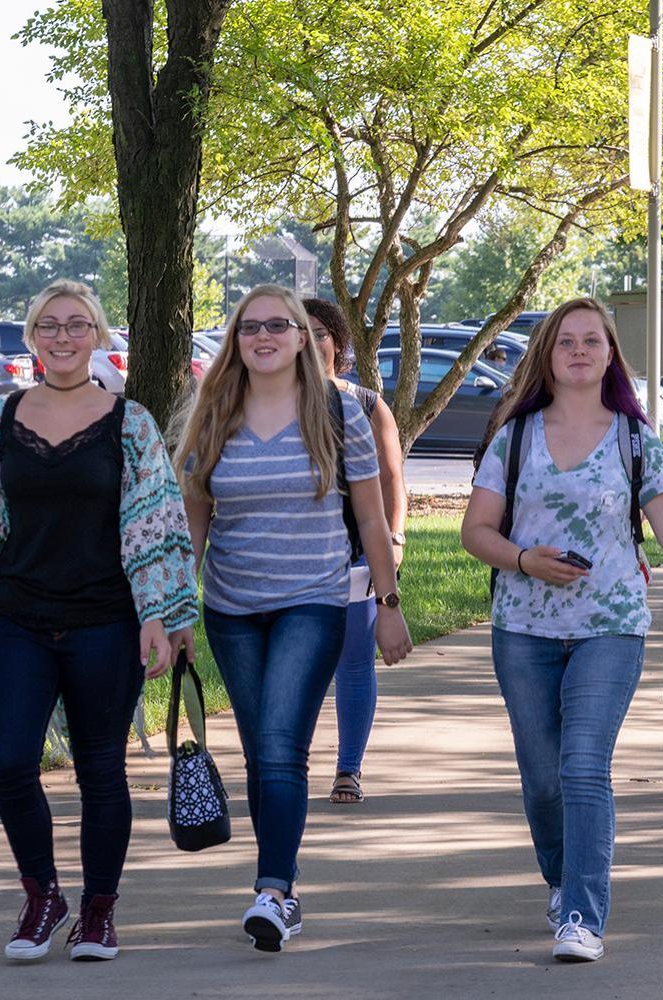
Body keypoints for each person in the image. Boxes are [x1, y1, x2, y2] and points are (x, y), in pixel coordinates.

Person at [463, 298, 663, 964]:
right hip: (522, 628)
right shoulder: (514, 436)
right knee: (543, 778)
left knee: (583, 765)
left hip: (610, 624)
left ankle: (582, 913)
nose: (579, 350)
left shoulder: (635, 440)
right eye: (566, 342)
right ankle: (562, 878)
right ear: (547, 355)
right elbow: (475, 532)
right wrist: (525, 560)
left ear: (611, 354)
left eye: (592, 340)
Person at [0, 278, 197, 963]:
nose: (64, 337)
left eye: (78, 325)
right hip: (19, 616)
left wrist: (156, 618)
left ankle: (99, 912)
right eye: (49, 326)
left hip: (104, 620)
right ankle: (42, 896)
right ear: (32, 336)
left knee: (100, 770)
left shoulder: (129, 422)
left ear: (98, 336)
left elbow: (156, 528)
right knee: (11, 762)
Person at [177, 283, 412, 954]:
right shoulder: (215, 410)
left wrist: (388, 606)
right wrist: (175, 611)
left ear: (303, 338)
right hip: (230, 608)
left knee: (282, 748)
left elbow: (370, 516)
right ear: (236, 339)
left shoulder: (339, 411)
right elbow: (195, 521)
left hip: (316, 600)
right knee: (261, 754)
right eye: (251, 326)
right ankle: (282, 888)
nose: (265, 336)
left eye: (279, 325)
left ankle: (272, 891)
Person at [302, 297, 407, 805]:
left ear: (338, 342)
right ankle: (286, 764)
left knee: (354, 663)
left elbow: (392, 480)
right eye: (300, 330)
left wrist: (396, 538)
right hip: (292, 562)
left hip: (355, 556)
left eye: (321, 331)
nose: (310, 339)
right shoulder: (264, 403)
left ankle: (348, 769)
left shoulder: (366, 403)